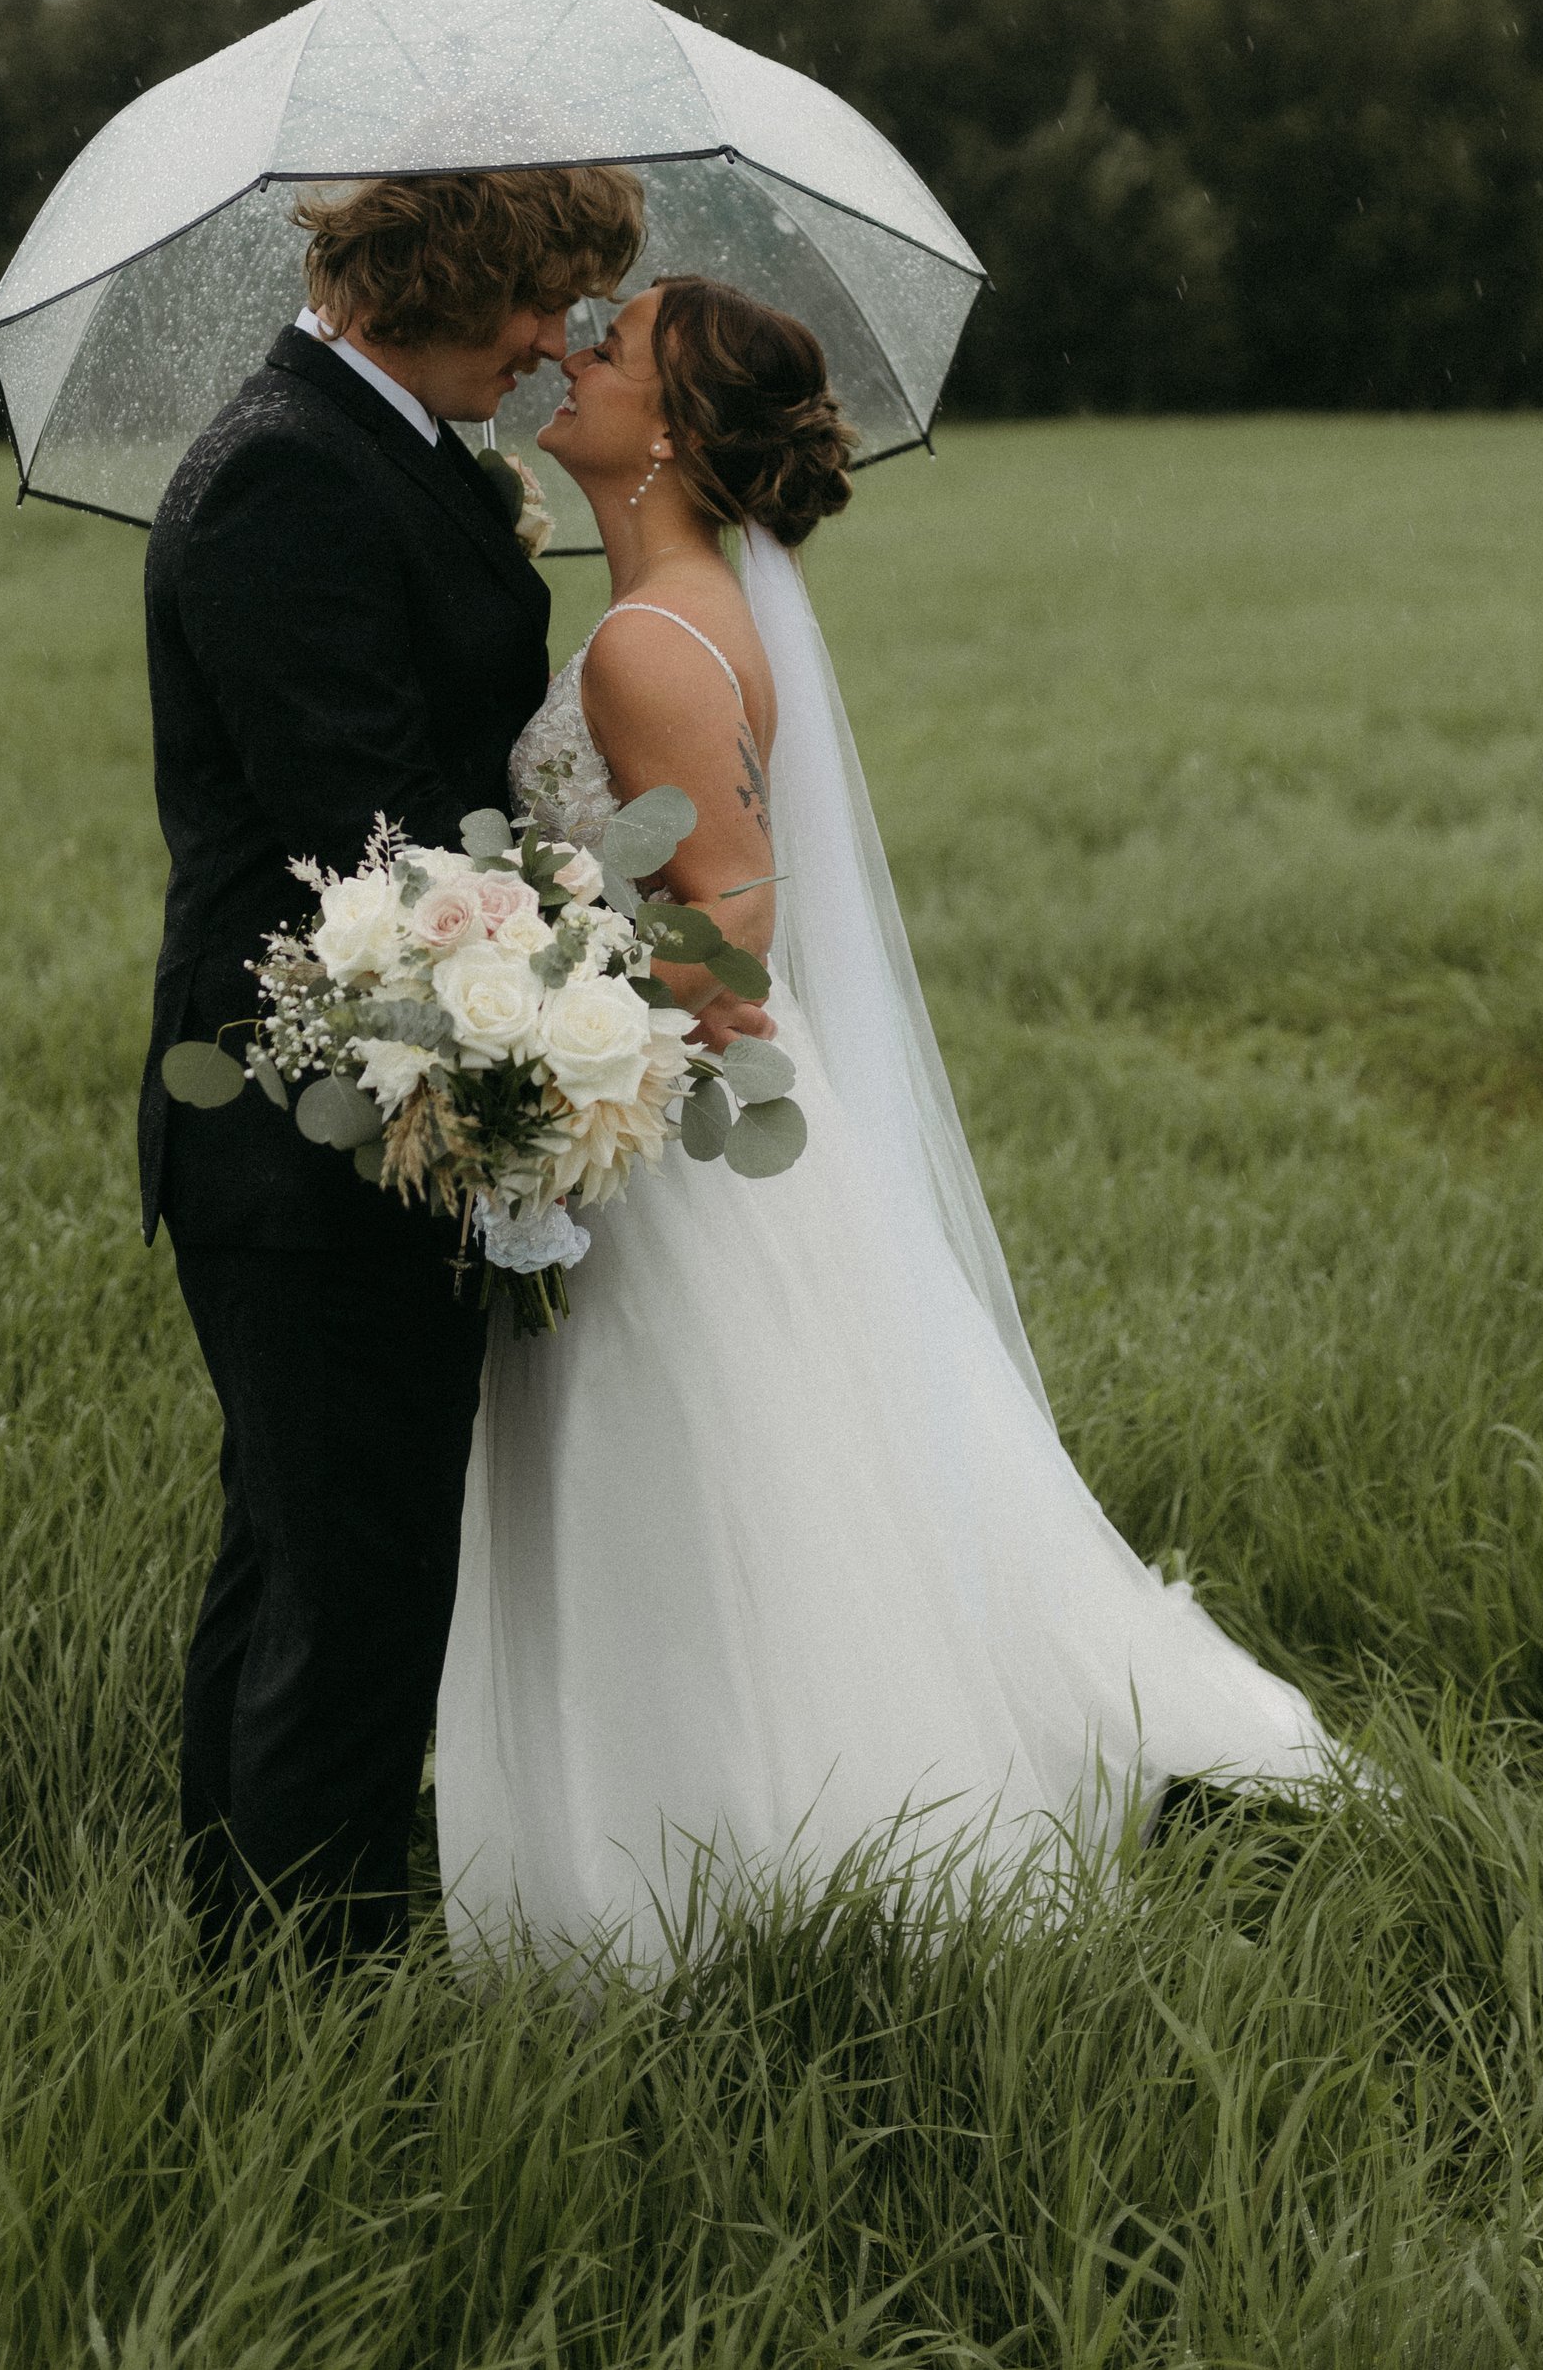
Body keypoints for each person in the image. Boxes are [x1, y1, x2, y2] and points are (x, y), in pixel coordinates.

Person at [434, 275, 1348, 1967]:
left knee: (686, 1498)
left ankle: (724, 1863)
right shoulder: (685, 609)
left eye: (611, 348)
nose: (568, 354)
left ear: (684, 432)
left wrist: (531, 994)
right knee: (756, 1495)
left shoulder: (650, 639)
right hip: (695, 1134)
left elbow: (734, 932)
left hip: (664, 1146)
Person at [137, 161, 643, 1959]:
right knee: (348, 1591)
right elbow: (368, 823)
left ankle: (250, 1957)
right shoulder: (286, 467)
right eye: (536, 297)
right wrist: (585, 929)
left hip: (376, 1100)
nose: (549, 342)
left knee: (301, 1556)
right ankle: (301, 1993)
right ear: (434, 272)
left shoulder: (397, 448)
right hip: (311, 1118)